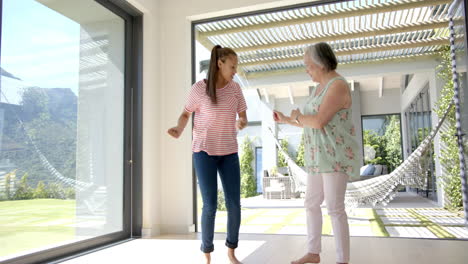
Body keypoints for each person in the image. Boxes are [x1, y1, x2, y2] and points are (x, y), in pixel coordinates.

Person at [273, 42, 359, 264]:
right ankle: (313, 252)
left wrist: (298, 117)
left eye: (308, 65)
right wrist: (286, 119)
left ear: (320, 64)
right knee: (311, 203)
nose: (306, 70)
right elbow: (310, 122)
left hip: (334, 156)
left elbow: (319, 121)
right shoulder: (319, 88)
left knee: (335, 207)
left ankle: (343, 260)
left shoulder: (337, 85)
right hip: (317, 157)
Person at [168, 45, 248, 264]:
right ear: (219, 64)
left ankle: (231, 252)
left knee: (234, 204)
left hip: (229, 151)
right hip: (204, 151)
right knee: (210, 205)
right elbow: (186, 113)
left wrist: (242, 122)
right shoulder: (198, 89)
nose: (235, 71)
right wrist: (178, 128)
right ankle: (207, 256)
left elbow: (243, 116)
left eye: (236, 67)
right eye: (232, 66)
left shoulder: (235, 89)